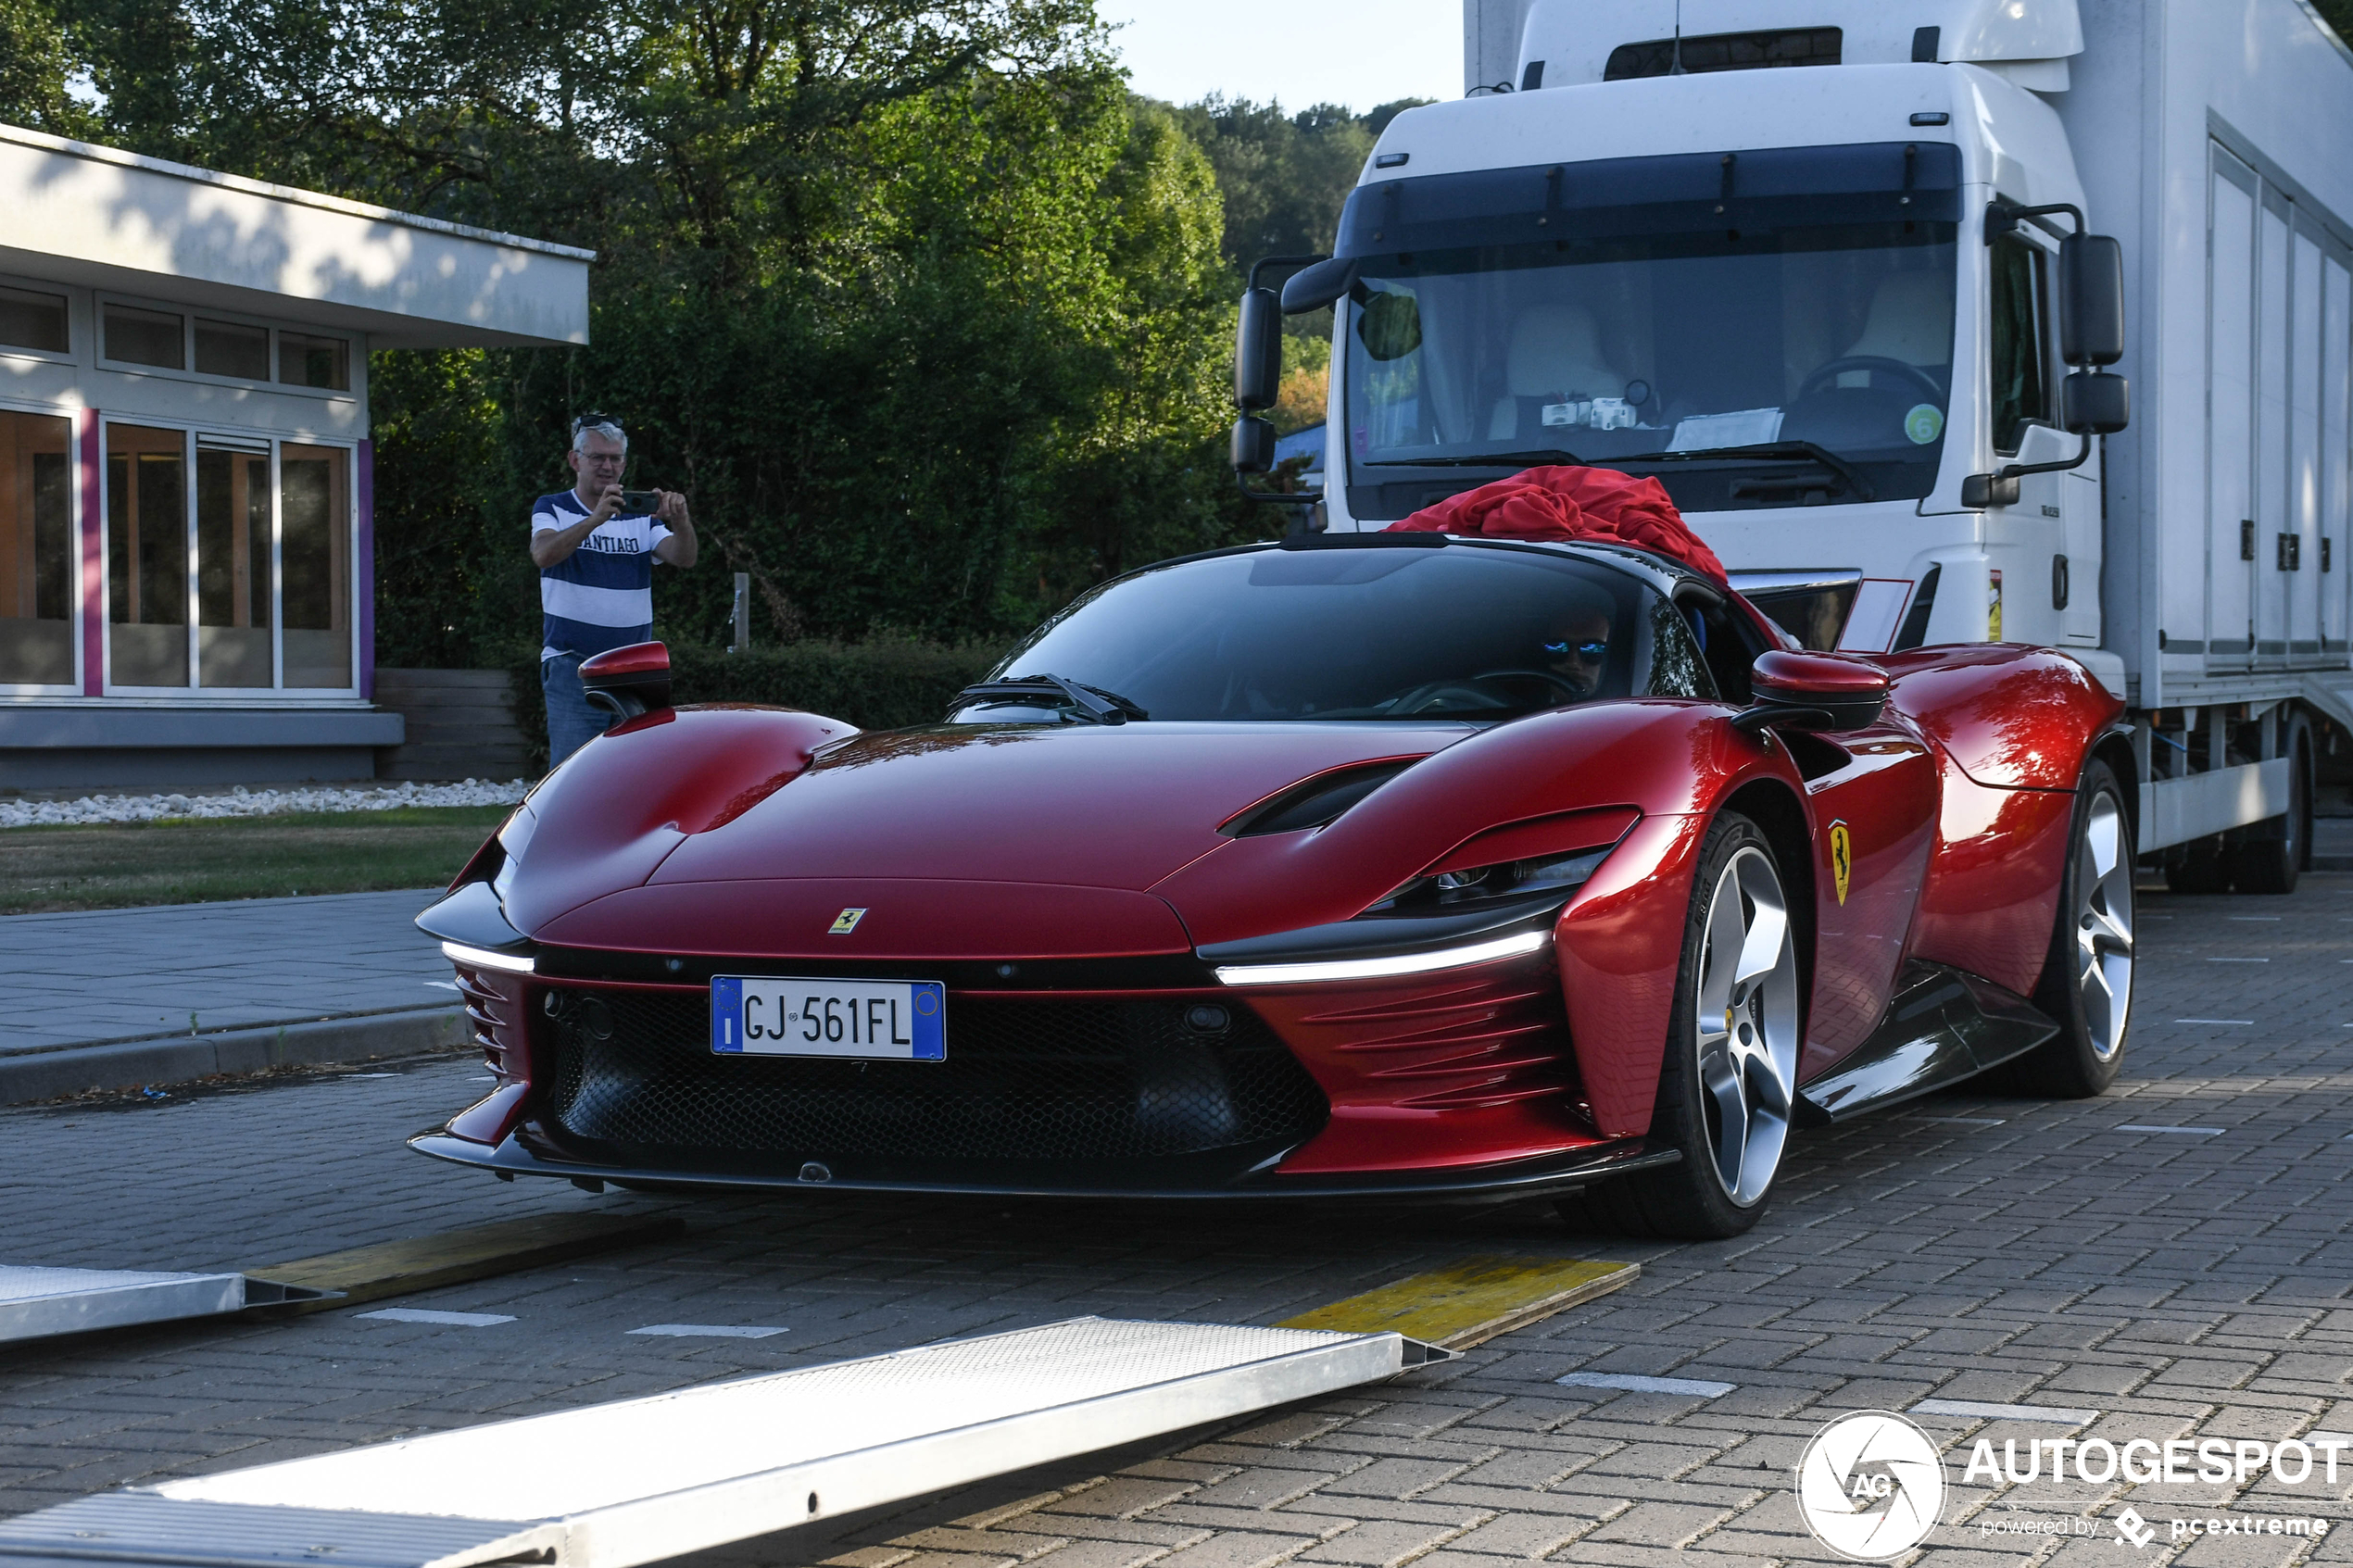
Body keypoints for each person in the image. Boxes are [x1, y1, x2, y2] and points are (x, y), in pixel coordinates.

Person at [533, 414, 698, 764]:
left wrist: (681, 522)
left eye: (615, 458)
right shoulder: (553, 507)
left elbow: (684, 558)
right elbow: (544, 554)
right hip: (572, 667)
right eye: (597, 457)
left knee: (634, 775)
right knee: (572, 776)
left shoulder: (638, 517)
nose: (607, 466)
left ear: (624, 463)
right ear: (575, 460)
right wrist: (595, 519)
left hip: (635, 672)